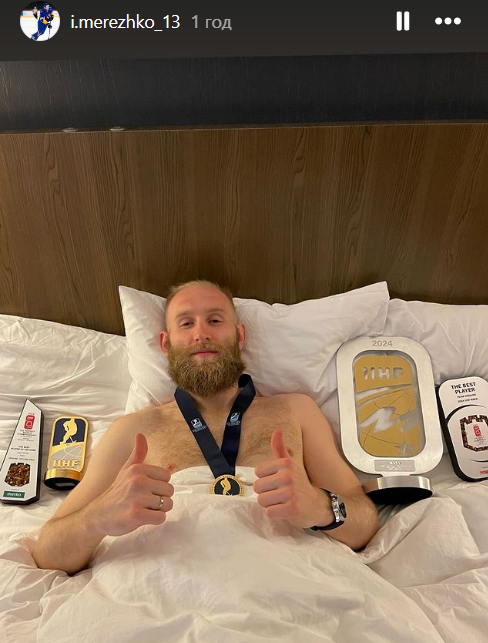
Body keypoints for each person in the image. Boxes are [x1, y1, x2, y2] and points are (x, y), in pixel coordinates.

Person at [31, 280, 380, 575]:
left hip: (288, 588)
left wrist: (319, 506)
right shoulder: (134, 430)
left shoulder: (296, 411)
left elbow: (365, 525)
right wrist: (99, 517)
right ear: (166, 344)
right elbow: (48, 553)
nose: (201, 334)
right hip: (163, 596)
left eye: (215, 320)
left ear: (239, 336)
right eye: (186, 324)